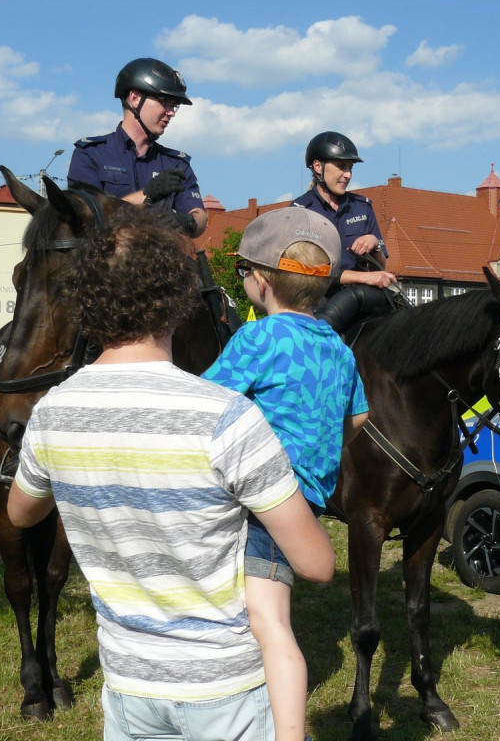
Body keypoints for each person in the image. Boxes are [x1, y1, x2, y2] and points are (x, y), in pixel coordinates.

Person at [6, 205, 335, 741]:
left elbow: (21, 513)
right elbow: (317, 563)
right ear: (178, 302)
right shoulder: (228, 416)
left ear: (87, 302)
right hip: (224, 692)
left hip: (129, 690)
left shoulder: (53, 412)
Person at [201, 206, 369, 741]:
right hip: (308, 501)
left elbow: (204, 405)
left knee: (270, 625)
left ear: (260, 279)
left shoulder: (259, 339)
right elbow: (358, 418)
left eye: (245, 271)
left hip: (257, 501)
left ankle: (288, 733)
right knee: (263, 615)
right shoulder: (338, 348)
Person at [67, 57, 207, 238]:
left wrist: (188, 222)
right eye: (165, 101)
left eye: (174, 106)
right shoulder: (90, 154)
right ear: (135, 99)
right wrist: (147, 194)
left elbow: (200, 215)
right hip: (104, 261)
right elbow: (88, 217)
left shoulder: (177, 164)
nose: (171, 112)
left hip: (161, 261)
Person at [293, 131, 397, 333]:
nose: (348, 174)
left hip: (364, 303)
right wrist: (363, 278)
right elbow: (307, 272)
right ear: (317, 167)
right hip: (320, 304)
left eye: (350, 168)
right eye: (341, 167)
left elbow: (381, 265)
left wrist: (374, 242)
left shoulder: (362, 207)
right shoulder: (300, 212)